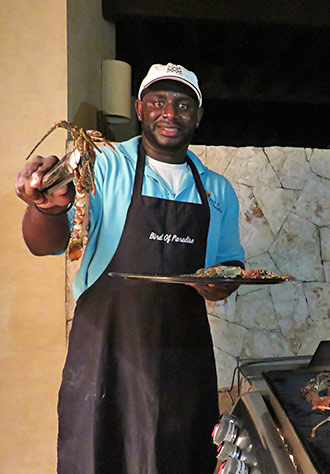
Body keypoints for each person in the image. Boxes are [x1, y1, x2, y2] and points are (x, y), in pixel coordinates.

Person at [15, 63, 244, 473]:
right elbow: (43, 244)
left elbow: (228, 265)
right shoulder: (102, 167)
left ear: (198, 116)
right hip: (105, 353)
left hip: (181, 361)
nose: (169, 113)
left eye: (182, 104)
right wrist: (43, 206)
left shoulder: (217, 189)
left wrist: (223, 282)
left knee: (178, 458)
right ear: (140, 109)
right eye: (158, 102)